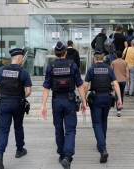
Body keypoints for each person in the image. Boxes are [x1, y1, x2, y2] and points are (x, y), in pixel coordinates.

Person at [40, 41, 87, 169]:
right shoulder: (73, 66)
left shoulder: (50, 67)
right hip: (69, 101)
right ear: (66, 53)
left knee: (58, 129)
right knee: (70, 130)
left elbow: (46, 88)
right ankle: (67, 156)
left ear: (55, 54)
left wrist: (43, 105)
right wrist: (84, 102)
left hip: (56, 102)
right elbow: (80, 85)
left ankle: (61, 154)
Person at [0, 48, 32, 169]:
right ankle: (19, 150)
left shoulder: (1, 70)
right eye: (22, 59)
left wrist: (2, 96)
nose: (22, 61)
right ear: (19, 58)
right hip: (17, 104)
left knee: (3, 130)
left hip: (4, 104)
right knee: (18, 127)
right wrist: (19, 97)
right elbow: (29, 91)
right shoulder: (23, 72)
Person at [83, 48, 122, 163]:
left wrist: (84, 99)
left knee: (96, 123)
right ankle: (102, 143)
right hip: (107, 98)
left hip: (96, 99)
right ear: (103, 58)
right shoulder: (109, 69)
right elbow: (115, 84)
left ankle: (102, 147)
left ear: (95, 58)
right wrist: (119, 98)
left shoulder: (91, 69)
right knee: (104, 121)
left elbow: (85, 85)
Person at [111, 50, 129, 117]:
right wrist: (128, 81)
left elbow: (111, 72)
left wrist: (111, 81)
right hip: (123, 80)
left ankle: (118, 110)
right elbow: (127, 72)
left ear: (116, 55)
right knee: (121, 93)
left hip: (116, 81)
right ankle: (120, 105)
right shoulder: (125, 62)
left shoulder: (113, 62)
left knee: (117, 94)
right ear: (122, 55)